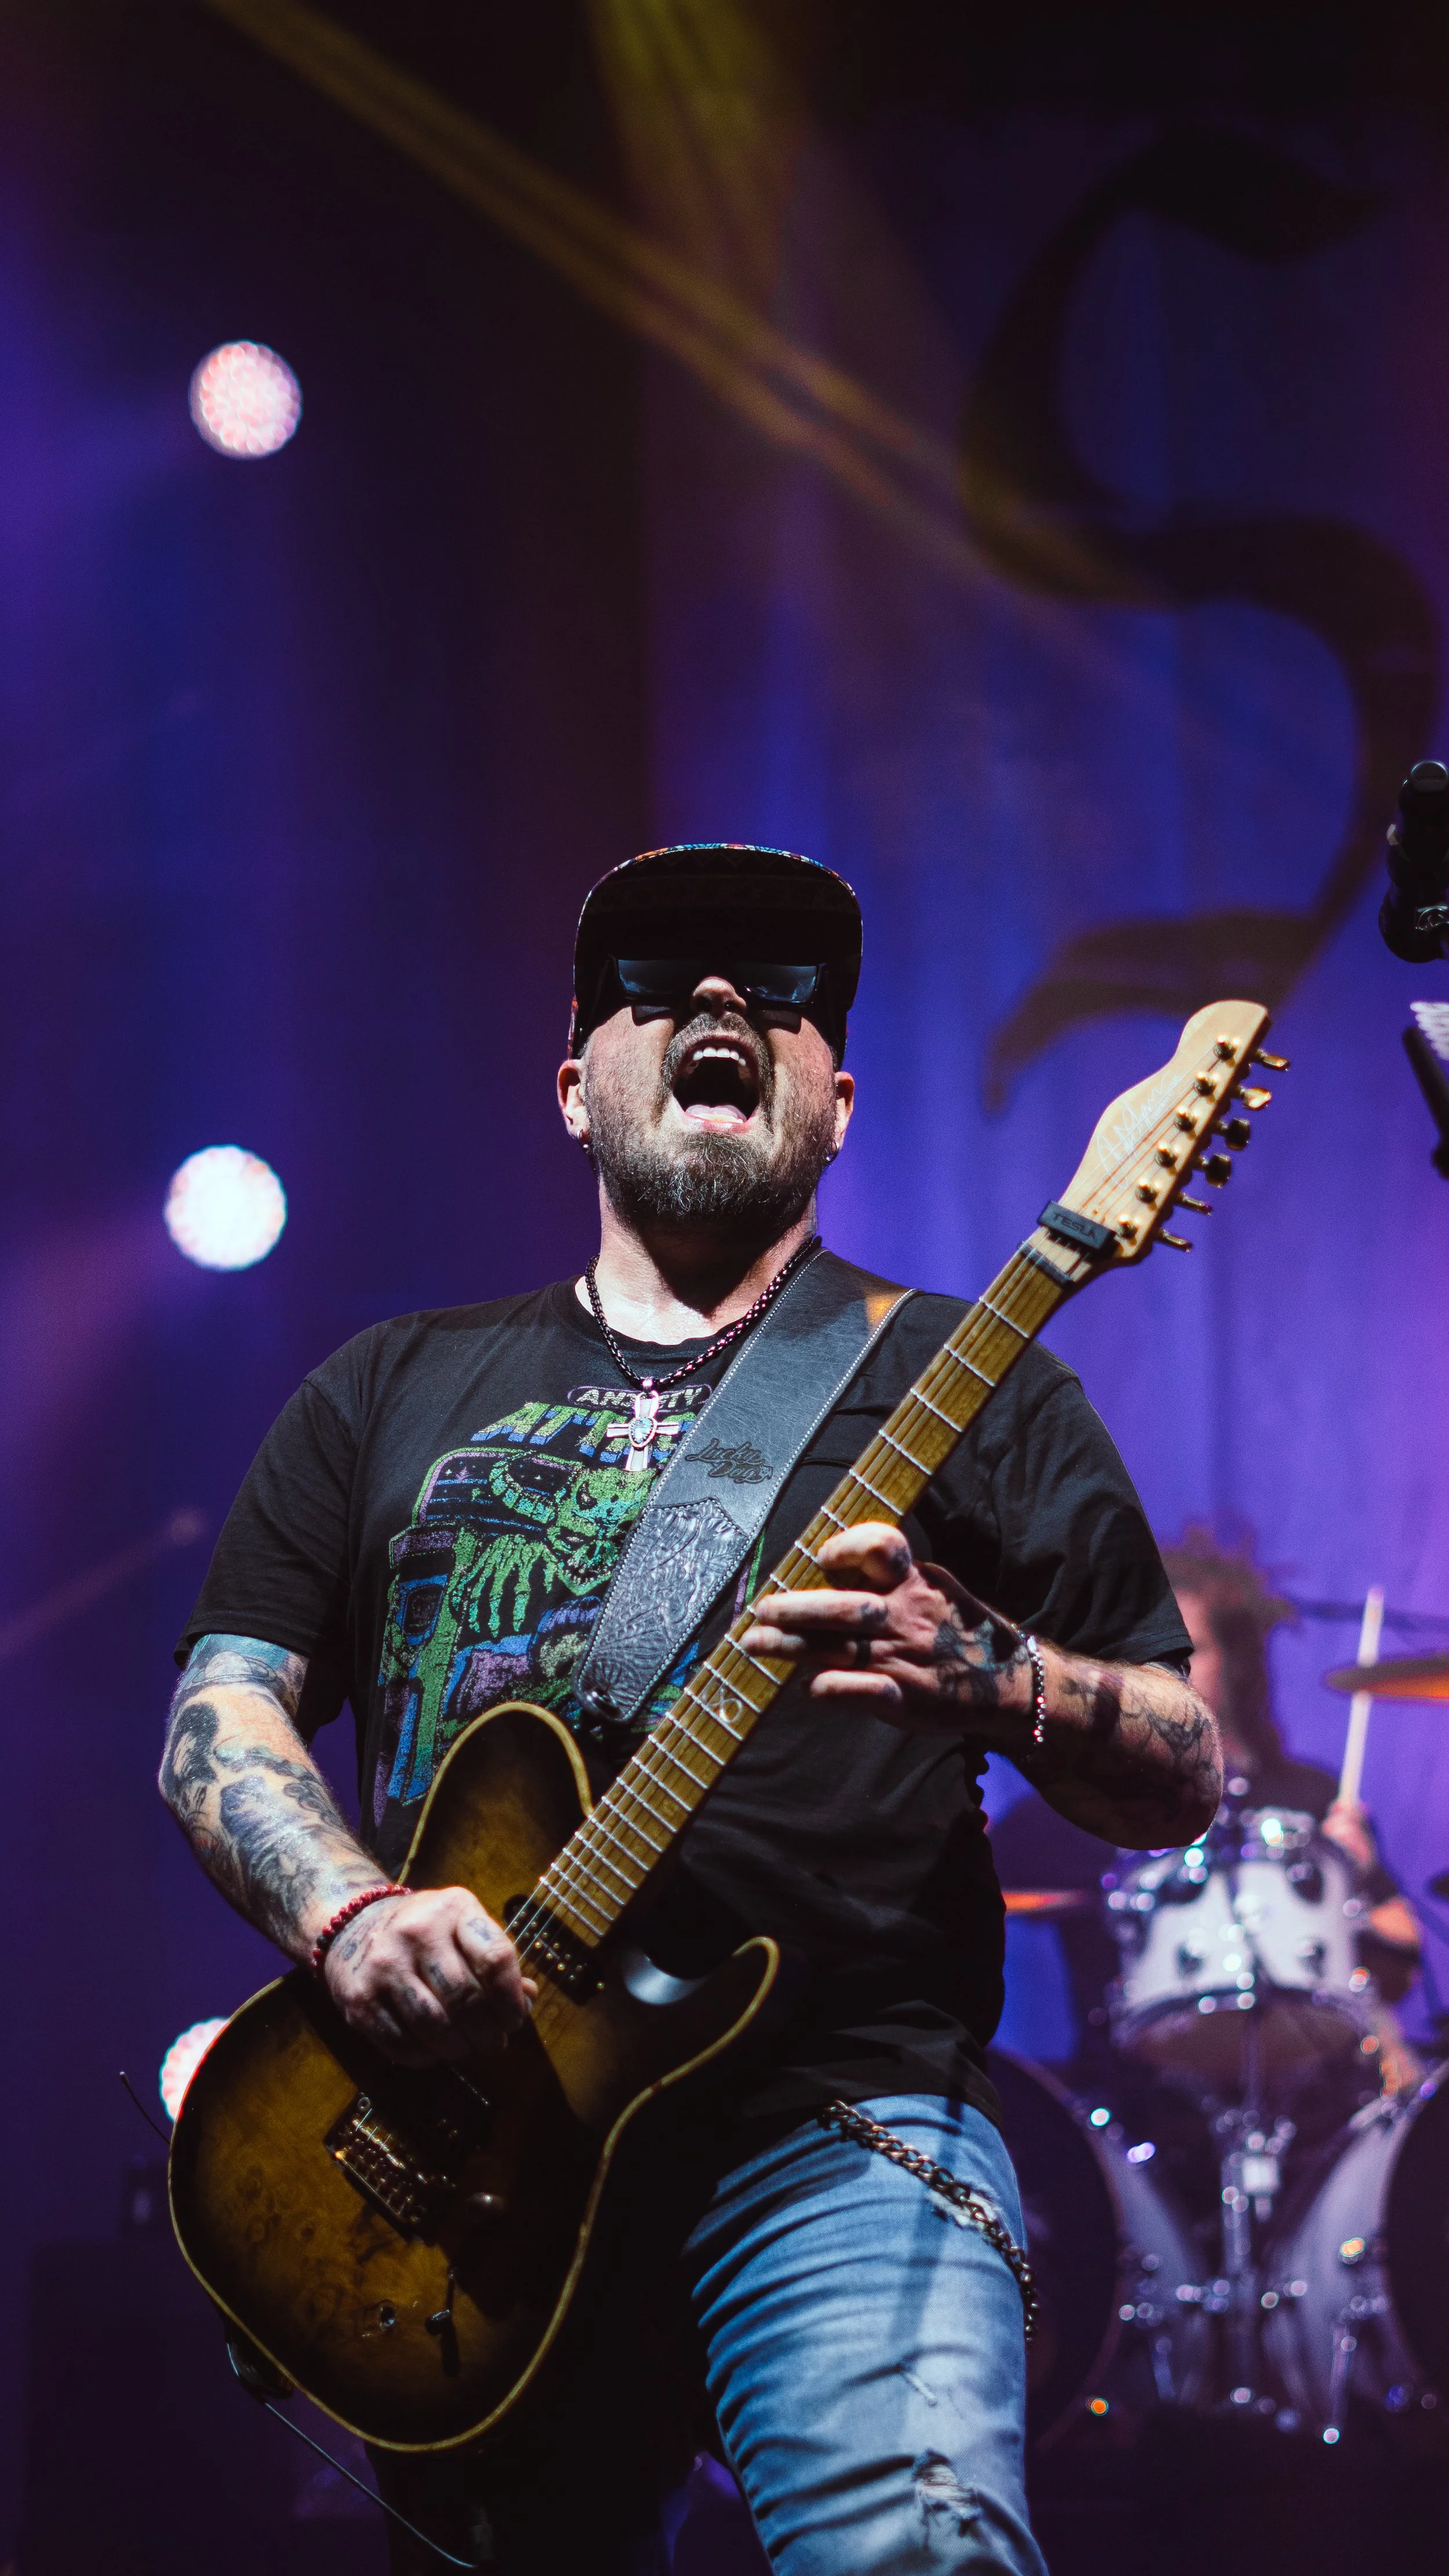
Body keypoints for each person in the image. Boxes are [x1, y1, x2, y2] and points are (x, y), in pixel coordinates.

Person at [159, 843, 1215, 2576]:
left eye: (783, 990)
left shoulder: (977, 1383)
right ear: (574, 1086)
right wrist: (347, 1918)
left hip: (832, 2118)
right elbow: (222, 1708)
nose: (725, 999)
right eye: (659, 978)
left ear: (838, 1096)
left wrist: (1001, 1673)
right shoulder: (383, 1387)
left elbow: (1181, 1767)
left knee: (912, 2556)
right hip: (465, 2155)